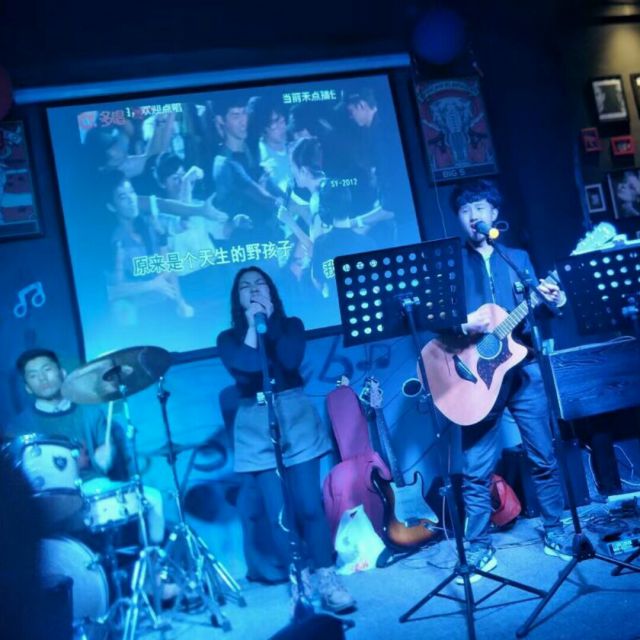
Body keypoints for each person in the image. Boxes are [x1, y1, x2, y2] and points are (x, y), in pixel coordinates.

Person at [446, 179, 572, 583]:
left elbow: (536, 312)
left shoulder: (516, 258)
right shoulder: (451, 265)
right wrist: (463, 324)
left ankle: (555, 530)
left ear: (494, 214)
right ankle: (478, 547)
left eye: (480, 208)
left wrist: (554, 301)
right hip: (477, 377)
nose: (473, 216)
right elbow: (436, 323)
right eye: (465, 210)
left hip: (524, 369)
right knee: (476, 467)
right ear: (459, 218)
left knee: (543, 455)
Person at [216, 267, 355, 614]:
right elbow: (247, 367)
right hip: (254, 422)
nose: (253, 290)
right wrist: (253, 327)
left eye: (259, 284)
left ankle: (327, 578)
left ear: (272, 291)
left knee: (309, 506)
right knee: (279, 514)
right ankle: (300, 581)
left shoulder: (291, 325)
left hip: (294, 415)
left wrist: (269, 322)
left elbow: (290, 359)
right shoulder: (228, 339)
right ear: (236, 297)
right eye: (245, 286)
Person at [6, 348, 166, 547]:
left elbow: (104, 457)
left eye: (47, 370)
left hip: (92, 487)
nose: (42, 378)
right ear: (28, 388)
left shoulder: (90, 413)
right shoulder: (18, 428)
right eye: (33, 375)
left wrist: (107, 454)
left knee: (153, 498)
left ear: (62, 373)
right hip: (49, 498)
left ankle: (152, 558)